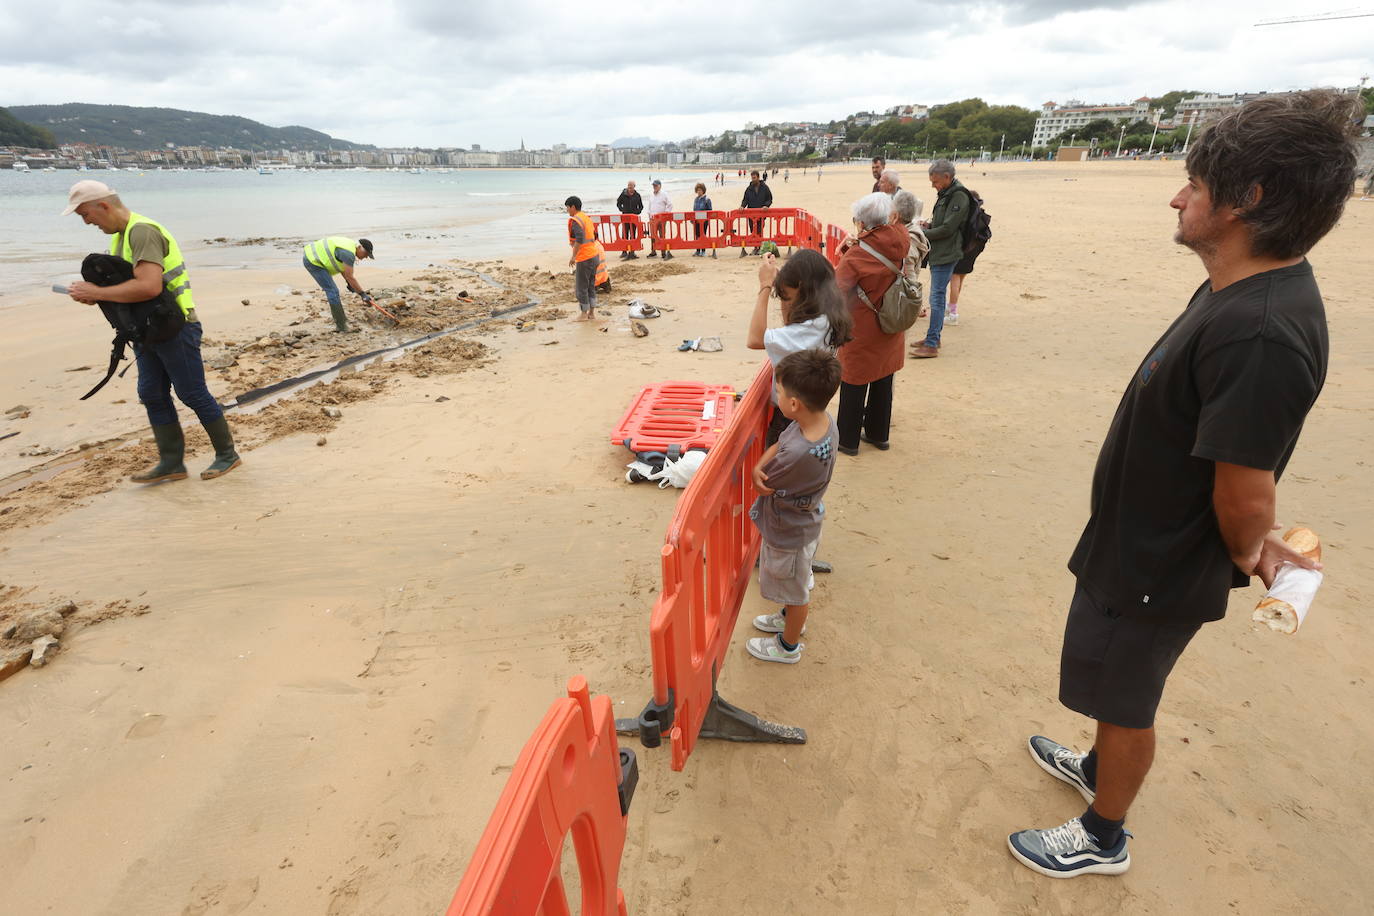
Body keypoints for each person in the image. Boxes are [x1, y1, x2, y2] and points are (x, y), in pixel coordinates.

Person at [1007, 90, 1358, 879]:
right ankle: (1098, 768)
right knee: (1105, 678)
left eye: (1194, 185)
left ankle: (1104, 834)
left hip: (1165, 560)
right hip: (1137, 541)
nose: (1177, 196)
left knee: (1129, 698)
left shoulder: (1262, 331)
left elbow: (1247, 492)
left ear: (1248, 200)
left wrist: (1250, 550)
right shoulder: (1234, 289)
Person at [63, 180, 242, 482]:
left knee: (192, 393)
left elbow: (149, 286)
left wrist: (99, 291)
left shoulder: (142, 231)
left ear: (103, 206)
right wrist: (95, 295)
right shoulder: (120, 238)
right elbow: (127, 291)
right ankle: (171, 463)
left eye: (85, 214)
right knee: (151, 393)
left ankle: (227, 455)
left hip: (176, 326)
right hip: (148, 330)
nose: (86, 222)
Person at [744, 348, 841, 664]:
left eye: (780, 392)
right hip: (808, 521)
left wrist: (758, 470)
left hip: (791, 533)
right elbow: (779, 443)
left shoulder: (800, 453)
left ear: (794, 404)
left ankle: (788, 647)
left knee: (797, 591)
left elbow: (768, 479)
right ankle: (789, 618)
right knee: (794, 582)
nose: (777, 396)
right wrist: (761, 463)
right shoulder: (821, 421)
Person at [748, 248, 853, 444]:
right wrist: (783, 282)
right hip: (809, 414)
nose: (786, 304)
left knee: (778, 472)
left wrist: (765, 286)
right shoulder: (828, 318)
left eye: (786, 297)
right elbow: (790, 325)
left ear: (804, 290)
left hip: (790, 419)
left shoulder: (810, 330)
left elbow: (754, 339)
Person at [833, 192, 909, 455]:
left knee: (854, 382)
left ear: (862, 223)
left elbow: (837, 290)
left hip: (863, 327)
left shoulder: (857, 255)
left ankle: (848, 441)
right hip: (890, 322)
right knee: (883, 378)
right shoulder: (900, 237)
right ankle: (879, 434)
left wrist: (842, 252)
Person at [910, 159, 970, 359]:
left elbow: (948, 228)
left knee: (936, 297)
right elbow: (941, 224)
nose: (933, 185)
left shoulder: (958, 195)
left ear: (947, 177)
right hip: (940, 251)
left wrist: (920, 233)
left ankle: (932, 342)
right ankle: (933, 337)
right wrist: (927, 226)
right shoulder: (947, 193)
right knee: (936, 295)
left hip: (947, 253)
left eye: (935, 181)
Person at [302, 235, 376, 333]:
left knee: (333, 290)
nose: (365, 257)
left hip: (314, 256)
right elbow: (350, 276)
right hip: (313, 261)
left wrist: (349, 283)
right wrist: (363, 294)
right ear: (360, 248)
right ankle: (341, 326)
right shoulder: (348, 253)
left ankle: (342, 321)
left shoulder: (349, 248)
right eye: (366, 254)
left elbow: (343, 270)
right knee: (332, 291)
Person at [564, 196, 603, 320]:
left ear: (573, 207)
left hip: (584, 257)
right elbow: (594, 235)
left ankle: (583, 314)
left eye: (568, 207)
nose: (567, 210)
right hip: (594, 255)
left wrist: (573, 256)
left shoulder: (576, 220)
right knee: (591, 286)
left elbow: (579, 239)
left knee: (581, 287)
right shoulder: (586, 218)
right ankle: (591, 313)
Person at [892, 190, 930, 316]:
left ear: (896, 214)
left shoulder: (909, 238)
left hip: (900, 301)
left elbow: (910, 276)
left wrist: (915, 306)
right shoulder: (906, 231)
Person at [739, 170, 773, 256]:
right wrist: (742, 206)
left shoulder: (765, 187)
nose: (753, 179)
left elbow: (769, 199)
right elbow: (745, 199)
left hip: (761, 214)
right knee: (753, 231)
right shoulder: (749, 189)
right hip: (751, 215)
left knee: (759, 231)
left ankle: (760, 248)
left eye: (754, 178)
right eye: (752, 178)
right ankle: (755, 248)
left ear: (758, 177)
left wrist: (766, 206)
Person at [616, 180, 644, 260]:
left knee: (633, 235)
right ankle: (624, 251)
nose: (629, 188)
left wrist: (637, 212)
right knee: (624, 235)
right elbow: (618, 203)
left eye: (631, 186)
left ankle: (632, 252)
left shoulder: (637, 195)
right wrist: (622, 209)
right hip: (625, 218)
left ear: (634, 187)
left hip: (634, 219)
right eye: (628, 186)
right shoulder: (623, 194)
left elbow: (641, 206)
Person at [646, 179, 673, 259]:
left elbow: (670, 205)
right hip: (653, 219)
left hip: (661, 219)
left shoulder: (664, 194)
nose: (654, 187)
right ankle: (653, 251)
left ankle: (663, 252)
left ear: (660, 186)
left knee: (662, 235)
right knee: (653, 236)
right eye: (653, 185)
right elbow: (650, 206)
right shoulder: (651, 195)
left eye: (656, 185)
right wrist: (649, 215)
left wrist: (665, 214)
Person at [692, 182, 713, 256]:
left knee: (703, 235)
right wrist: (692, 219)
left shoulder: (707, 199)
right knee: (697, 235)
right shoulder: (696, 199)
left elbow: (710, 211)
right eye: (697, 190)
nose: (699, 191)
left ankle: (703, 251)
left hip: (704, 221)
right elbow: (694, 210)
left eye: (700, 190)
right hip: (696, 221)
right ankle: (697, 250)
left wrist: (707, 219)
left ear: (703, 190)